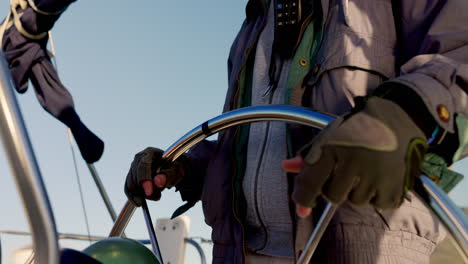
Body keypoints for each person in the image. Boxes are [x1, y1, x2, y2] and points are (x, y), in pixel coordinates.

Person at [125, 0, 468, 263]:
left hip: (364, 241)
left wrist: (401, 116)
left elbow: (460, 55)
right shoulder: (254, 24)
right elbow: (251, 142)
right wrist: (184, 167)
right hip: (240, 250)